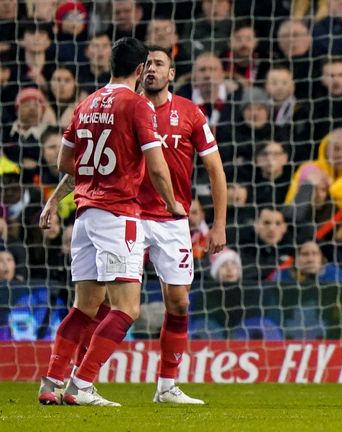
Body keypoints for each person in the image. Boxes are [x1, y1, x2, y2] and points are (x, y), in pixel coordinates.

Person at [37, 37, 184, 406]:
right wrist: (172, 203)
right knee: (126, 308)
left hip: (84, 217)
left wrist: (61, 197)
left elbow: (63, 164)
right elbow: (156, 164)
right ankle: (82, 384)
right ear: (139, 70)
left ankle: (51, 380)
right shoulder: (137, 105)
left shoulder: (85, 104)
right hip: (119, 214)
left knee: (84, 306)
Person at [138, 46, 227, 403]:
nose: (152, 69)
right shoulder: (129, 107)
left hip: (173, 218)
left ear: (172, 74)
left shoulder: (191, 112)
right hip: (128, 213)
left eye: (160, 64)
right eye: (147, 64)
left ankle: (167, 386)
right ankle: (80, 379)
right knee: (108, 303)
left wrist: (219, 225)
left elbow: (215, 170)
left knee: (178, 303)